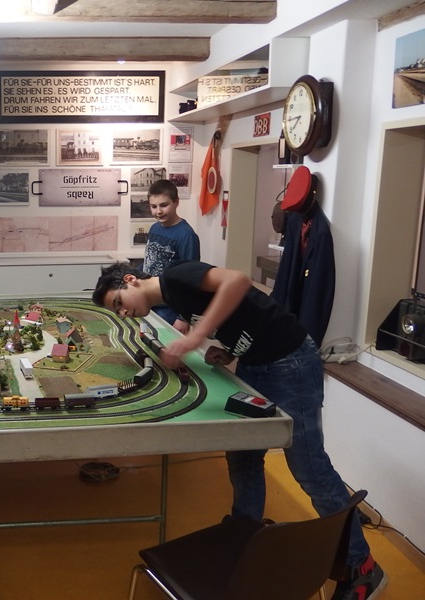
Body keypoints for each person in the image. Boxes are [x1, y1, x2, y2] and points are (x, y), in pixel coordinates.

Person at [91, 261, 387, 600]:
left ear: (130, 280)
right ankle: (244, 537)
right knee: (244, 456)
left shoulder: (174, 277)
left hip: (290, 362)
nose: (123, 312)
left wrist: (196, 338)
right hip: (256, 363)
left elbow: (237, 281)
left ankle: (362, 567)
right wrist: (229, 349)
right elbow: (243, 314)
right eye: (117, 311)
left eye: (118, 302)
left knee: (310, 470)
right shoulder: (174, 297)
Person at [141, 180, 200, 333]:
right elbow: (149, 262)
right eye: (153, 206)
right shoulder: (154, 228)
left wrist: (183, 317)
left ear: (176, 202)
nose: (158, 211)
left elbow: (191, 280)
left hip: (171, 309)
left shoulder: (186, 235)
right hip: (150, 301)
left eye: (164, 205)